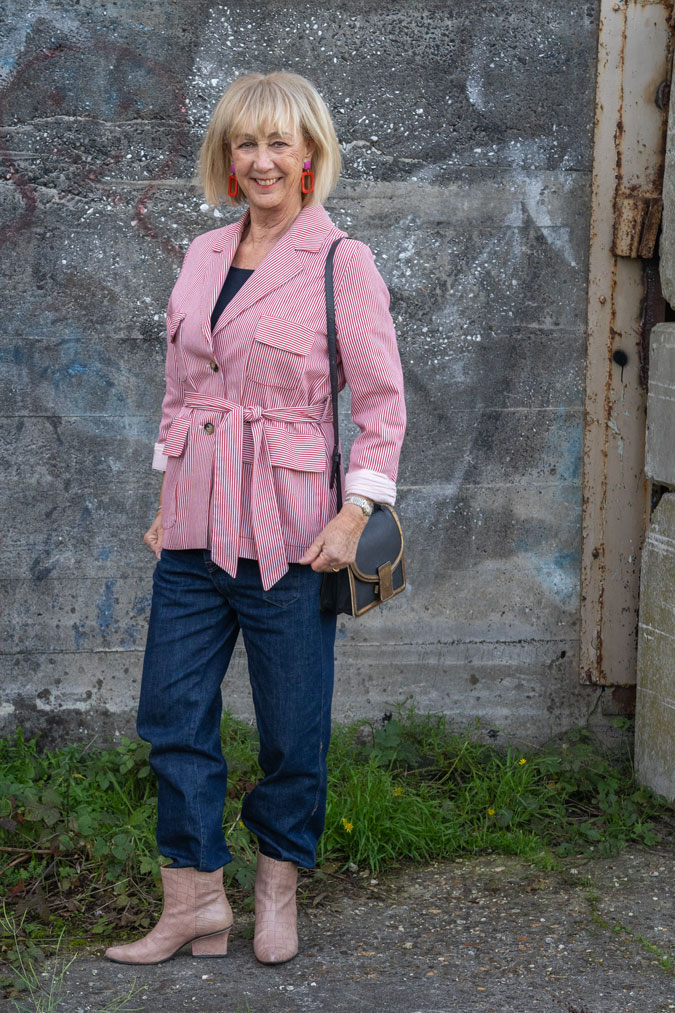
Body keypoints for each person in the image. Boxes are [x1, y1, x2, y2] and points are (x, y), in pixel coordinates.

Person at [104, 70, 406, 968]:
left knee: (290, 725)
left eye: (280, 143)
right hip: (194, 526)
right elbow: (179, 389)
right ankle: (194, 899)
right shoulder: (201, 253)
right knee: (171, 715)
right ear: (226, 158)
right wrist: (167, 502)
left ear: (310, 156)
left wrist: (357, 512)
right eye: (246, 143)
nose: (262, 160)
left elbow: (383, 405)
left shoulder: (340, 261)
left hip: (291, 533)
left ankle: (277, 885)